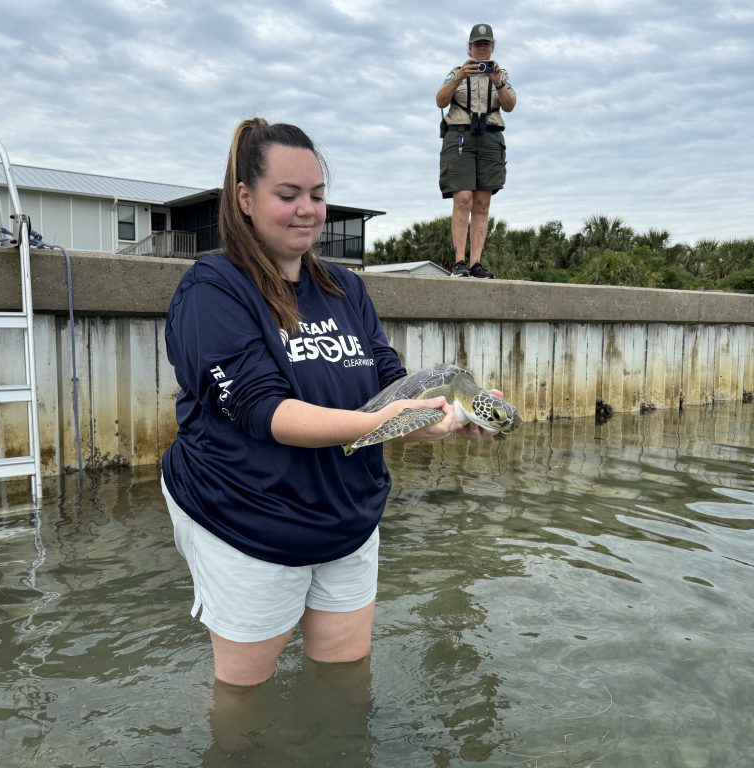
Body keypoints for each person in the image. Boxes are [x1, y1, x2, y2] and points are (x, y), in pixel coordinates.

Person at [161, 118, 490, 689]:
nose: (308, 209)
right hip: (248, 521)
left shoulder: (345, 287)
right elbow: (264, 411)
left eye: (316, 195)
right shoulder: (212, 289)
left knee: (343, 687)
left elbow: (389, 380)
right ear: (245, 198)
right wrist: (380, 421)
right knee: (246, 700)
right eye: (288, 195)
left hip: (347, 518)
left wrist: (443, 413)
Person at [435, 23, 516, 279]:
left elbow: (510, 105)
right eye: (477, 44)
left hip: (490, 138)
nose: (482, 49)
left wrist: (498, 83)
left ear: (492, 48)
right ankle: (459, 262)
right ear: (469, 47)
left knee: (482, 202)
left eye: (486, 45)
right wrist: (460, 77)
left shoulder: (501, 74)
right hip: (460, 137)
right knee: (463, 198)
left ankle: (476, 263)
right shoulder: (456, 72)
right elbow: (440, 100)